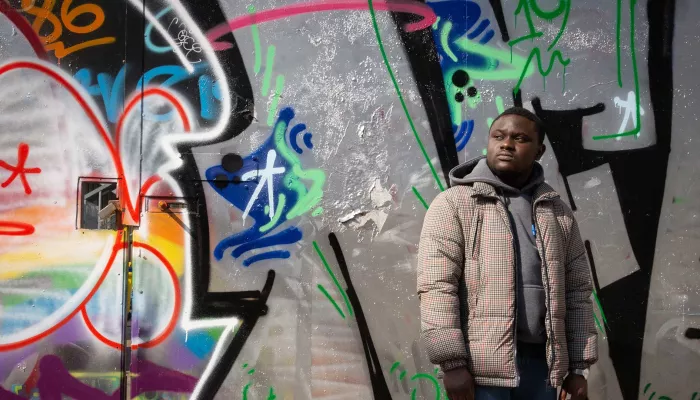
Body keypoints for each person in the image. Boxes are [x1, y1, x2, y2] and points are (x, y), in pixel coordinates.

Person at [417, 107, 598, 400]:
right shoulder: (454, 204)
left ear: (539, 150)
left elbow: (577, 292)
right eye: (497, 136)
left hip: (544, 369)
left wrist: (578, 370)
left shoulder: (557, 213)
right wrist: (451, 364)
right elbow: (437, 286)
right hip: (479, 370)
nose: (506, 144)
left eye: (520, 138)